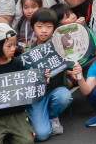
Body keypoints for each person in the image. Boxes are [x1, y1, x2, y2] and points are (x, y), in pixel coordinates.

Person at [24, 8, 72, 140]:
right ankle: (31, 117)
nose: (44, 30)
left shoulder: (61, 47)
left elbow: (68, 66)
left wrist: (73, 71)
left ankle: (53, 116)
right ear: (32, 26)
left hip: (55, 90)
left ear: (55, 28)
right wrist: (39, 78)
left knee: (64, 96)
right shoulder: (27, 54)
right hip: (37, 96)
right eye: (39, 26)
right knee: (41, 135)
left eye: (49, 27)